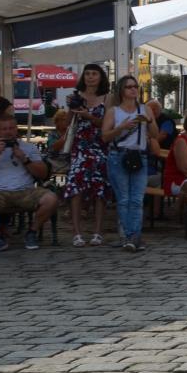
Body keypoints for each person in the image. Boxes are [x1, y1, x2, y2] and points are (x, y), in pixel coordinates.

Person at [0, 113, 59, 254]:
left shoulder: (28, 148)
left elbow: (42, 174)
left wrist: (24, 158)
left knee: (51, 199)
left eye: (11, 128)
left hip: (25, 191)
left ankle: (32, 232)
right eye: (4, 129)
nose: (8, 132)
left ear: (16, 129)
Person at [101, 75, 156, 251]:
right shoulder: (114, 112)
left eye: (135, 86)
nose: (133, 89)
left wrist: (149, 121)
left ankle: (133, 236)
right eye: (128, 87)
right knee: (124, 199)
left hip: (139, 156)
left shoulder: (145, 108)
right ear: (121, 91)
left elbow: (154, 133)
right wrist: (121, 128)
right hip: (119, 155)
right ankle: (129, 236)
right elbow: (104, 136)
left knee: (137, 199)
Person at [62, 64, 111, 247]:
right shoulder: (77, 96)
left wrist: (88, 116)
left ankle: (98, 231)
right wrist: (71, 108)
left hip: (99, 145)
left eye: (94, 74)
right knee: (76, 186)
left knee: (100, 188)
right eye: (87, 74)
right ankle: (77, 232)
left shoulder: (107, 98)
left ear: (100, 77)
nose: (90, 77)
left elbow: (107, 123)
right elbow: (67, 124)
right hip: (80, 146)